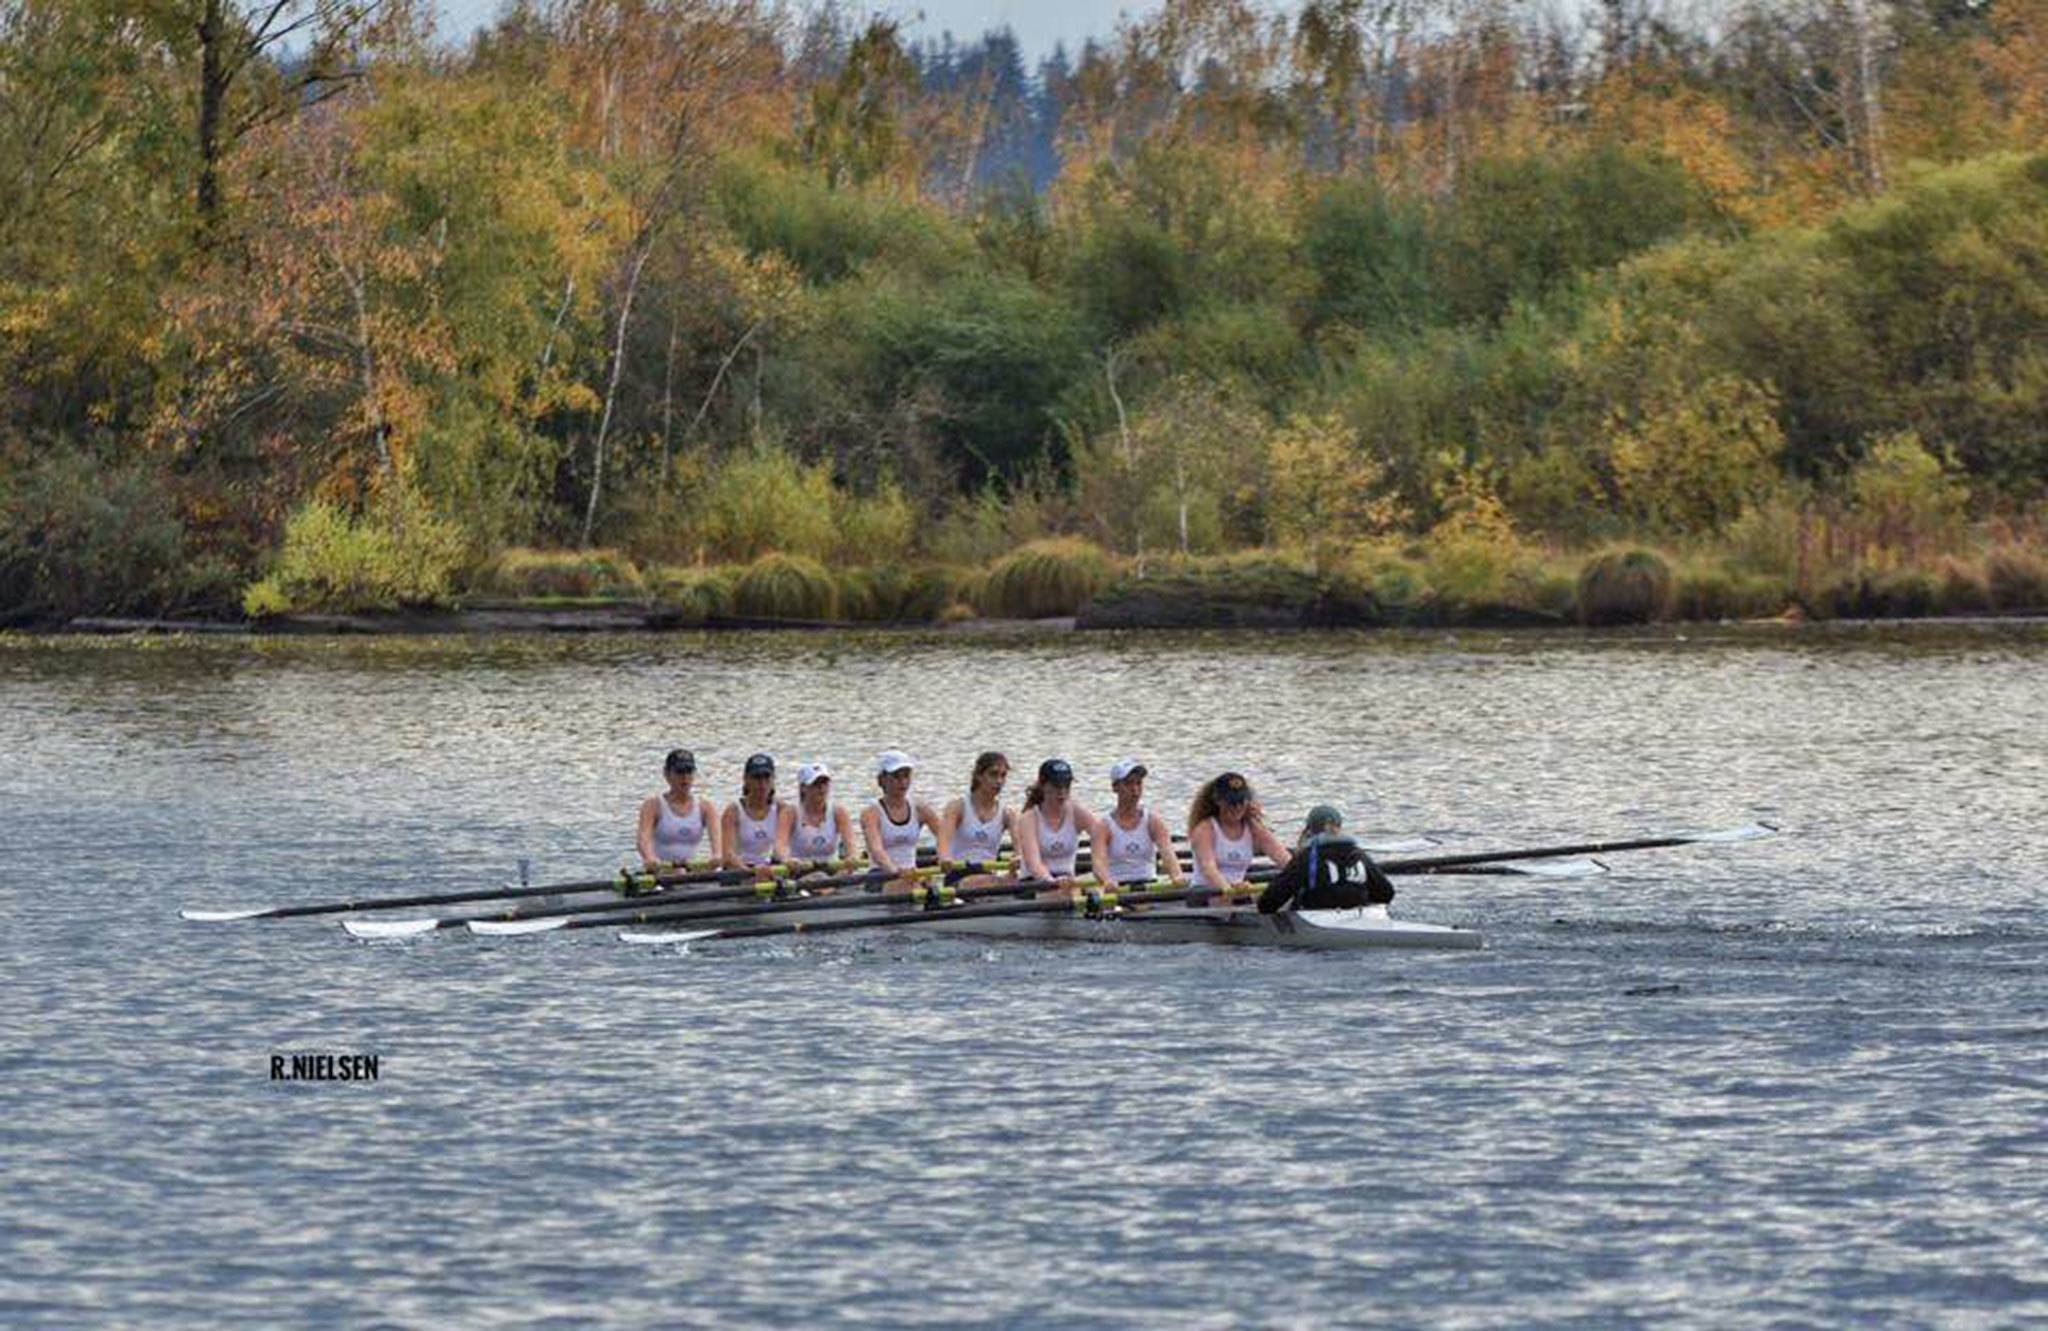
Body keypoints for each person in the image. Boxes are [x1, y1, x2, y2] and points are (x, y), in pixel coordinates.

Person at [1258, 804, 1396, 914]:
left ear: (1310, 830)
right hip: (1359, 915)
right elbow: (1386, 894)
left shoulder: (1307, 857)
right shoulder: (1359, 854)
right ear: (1340, 827)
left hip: (1315, 919)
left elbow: (1267, 904)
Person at [1187, 771, 1290, 907]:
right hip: (1207, 891)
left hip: (1240, 892)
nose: (1237, 807)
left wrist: (1301, 875)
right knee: (1225, 900)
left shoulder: (1253, 827)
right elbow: (1209, 869)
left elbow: (1282, 857)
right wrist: (1228, 889)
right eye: (1232, 802)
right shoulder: (1205, 829)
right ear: (1218, 801)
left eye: (1241, 801)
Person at [1096, 759, 1186, 889]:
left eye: (1138, 783)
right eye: (1128, 784)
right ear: (1115, 787)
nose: (1135, 790)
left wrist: (1177, 876)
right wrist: (1106, 881)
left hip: (1150, 887)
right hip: (1118, 890)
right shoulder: (1103, 827)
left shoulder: (1153, 822)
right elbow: (1098, 865)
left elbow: (1169, 855)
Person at [1016, 758, 1099, 891]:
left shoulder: (1078, 812)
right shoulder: (1028, 819)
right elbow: (1034, 864)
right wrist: (1052, 882)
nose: (1062, 791)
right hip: (1035, 883)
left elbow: (1104, 838)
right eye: (1056, 785)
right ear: (1043, 786)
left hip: (1068, 882)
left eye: (1066, 785)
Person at [636, 748, 721, 870]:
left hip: (692, 872)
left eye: (689, 771)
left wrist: (717, 855)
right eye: (679, 772)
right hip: (661, 872)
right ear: (666, 774)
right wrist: (649, 857)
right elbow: (643, 839)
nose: (685, 777)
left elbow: (718, 843)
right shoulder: (653, 805)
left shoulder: (706, 807)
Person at [861, 750, 942, 875]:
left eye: (906, 776)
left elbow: (946, 837)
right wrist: (895, 871)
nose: (903, 782)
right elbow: (877, 851)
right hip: (880, 874)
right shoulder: (871, 813)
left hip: (912, 874)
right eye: (896, 776)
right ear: (881, 780)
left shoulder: (921, 809)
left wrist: (945, 855)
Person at [937, 751, 1015, 868]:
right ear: (978, 776)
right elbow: (943, 844)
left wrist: (1018, 857)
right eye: (993, 774)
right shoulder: (957, 808)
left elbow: (1021, 848)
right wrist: (944, 858)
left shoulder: (1008, 814)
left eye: (1003, 776)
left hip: (989, 875)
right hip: (958, 874)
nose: (999, 781)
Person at [777, 762, 857, 871]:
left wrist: (852, 857)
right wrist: (786, 859)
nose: (821, 788)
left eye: (825, 783)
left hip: (831, 870)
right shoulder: (790, 813)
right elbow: (780, 845)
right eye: (816, 784)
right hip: (798, 870)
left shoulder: (839, 812)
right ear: (803, 788)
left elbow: (851, 843)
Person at [721, 753, 783, 871]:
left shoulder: (781, 809)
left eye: (766, 777)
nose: (762, 783)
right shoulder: (733, 812)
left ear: (773, 779)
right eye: (757, 777)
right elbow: (728, 857)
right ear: (746, 780)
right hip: (740, 871)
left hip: (771, 869)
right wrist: (751, 874)